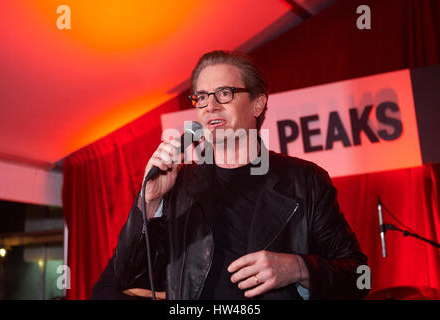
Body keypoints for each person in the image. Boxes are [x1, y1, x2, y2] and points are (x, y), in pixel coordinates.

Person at [92, 50, 368, 300]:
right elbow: (125, 276)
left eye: (224, 93)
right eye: (201, 97)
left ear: (257, 104)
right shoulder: (177, 187)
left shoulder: (305, 180)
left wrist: (297, 268)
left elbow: (359, 278)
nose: (210, 106)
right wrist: (149, 202)